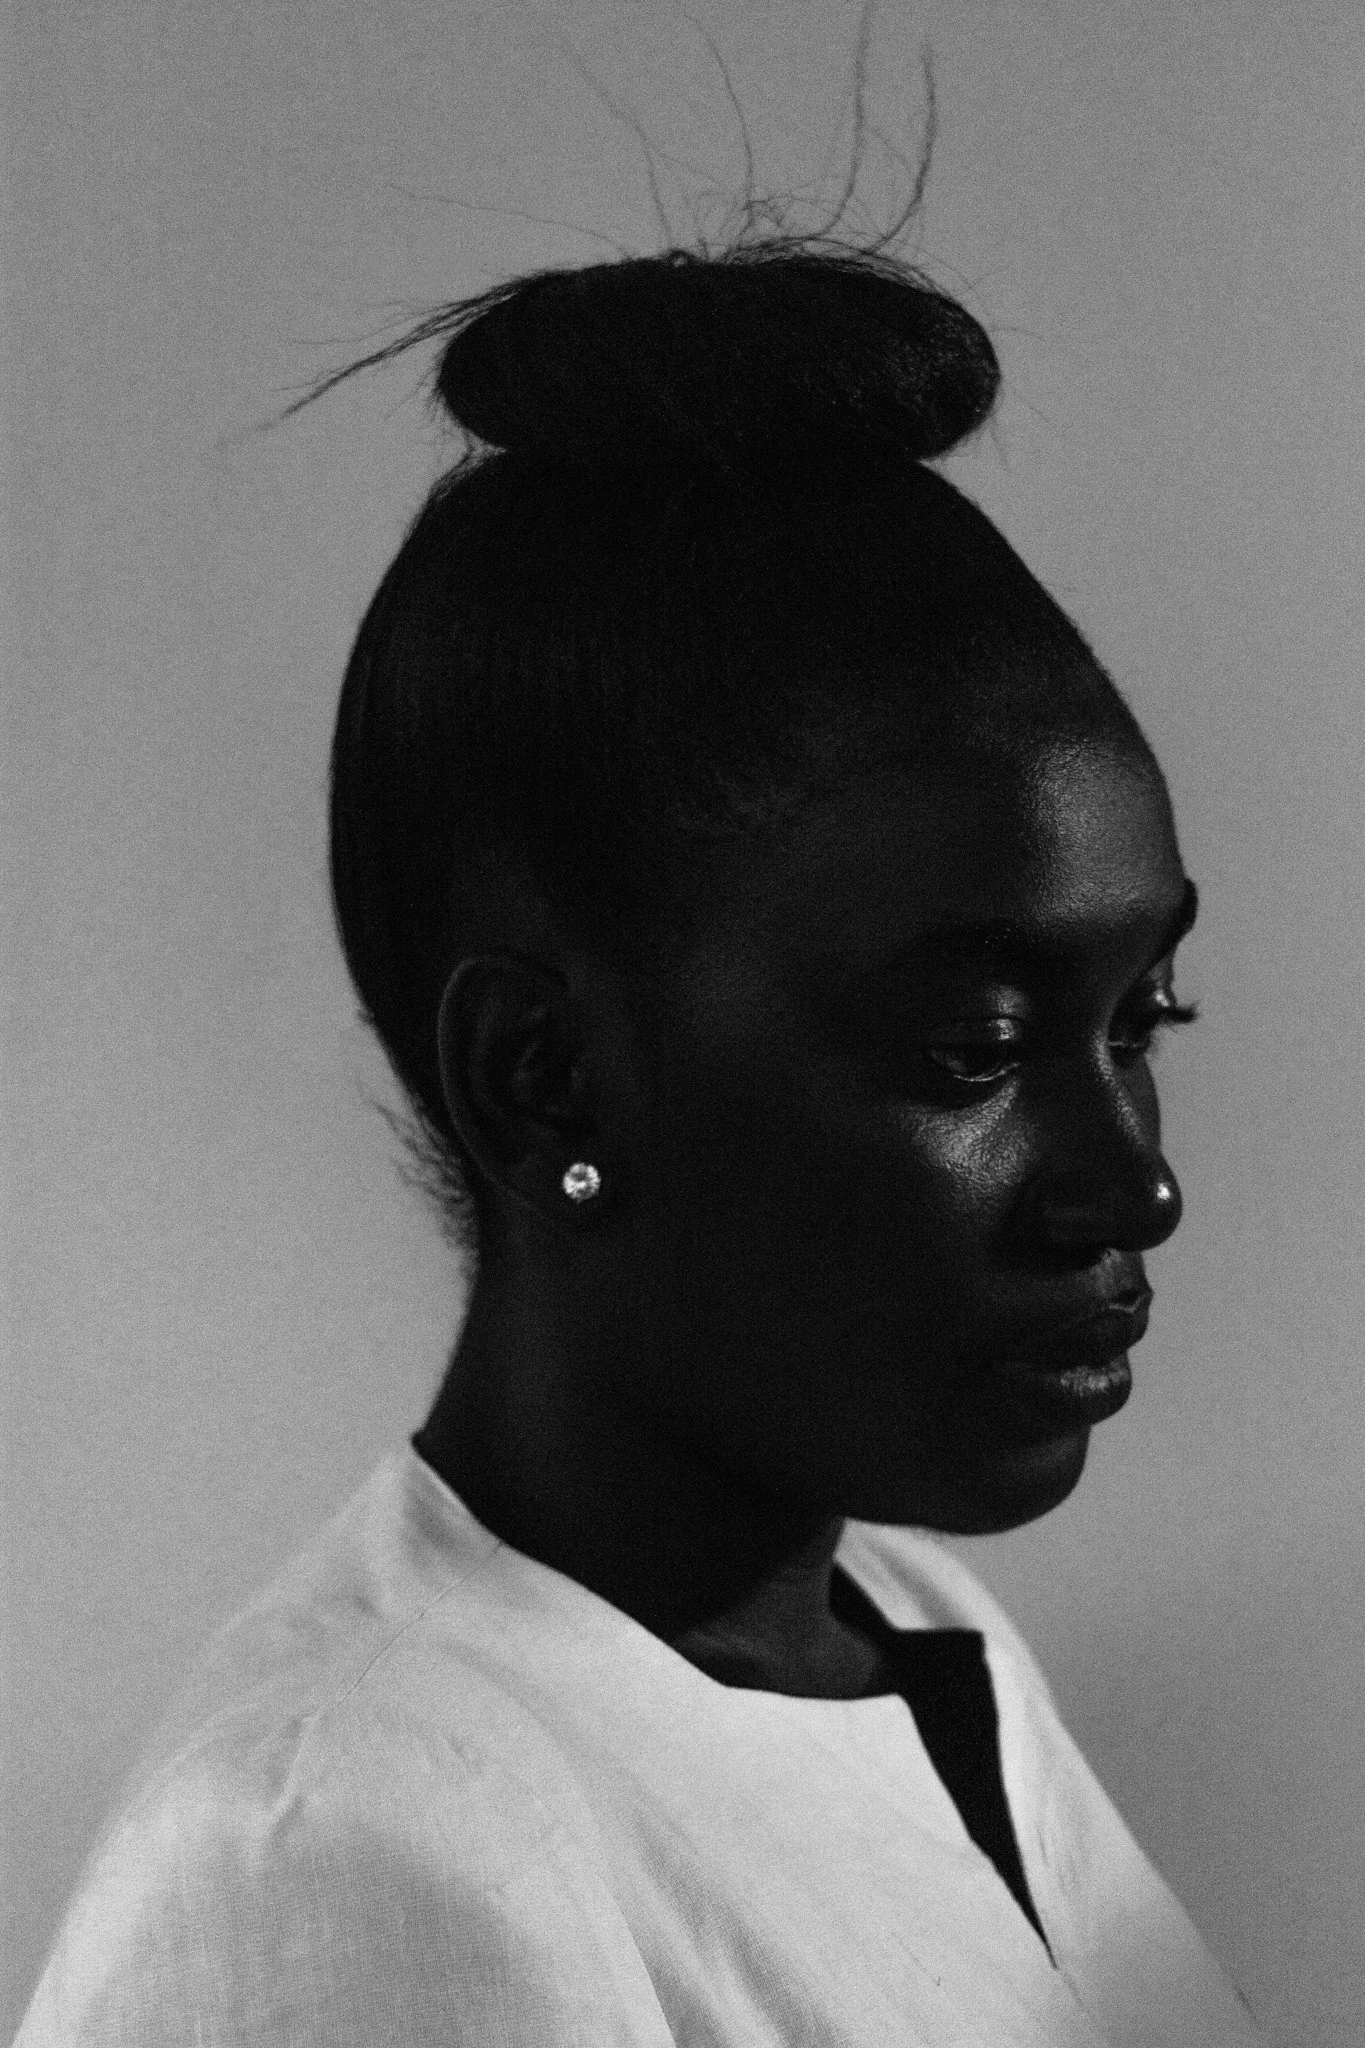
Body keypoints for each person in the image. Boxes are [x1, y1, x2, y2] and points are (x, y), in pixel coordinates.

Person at [15, 234, 1266, 2045]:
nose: (1134, 1182)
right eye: (973, 1045)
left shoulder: (911, 1633)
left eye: (1142, 1015)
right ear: (547, 1083)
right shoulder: (354, 1854)